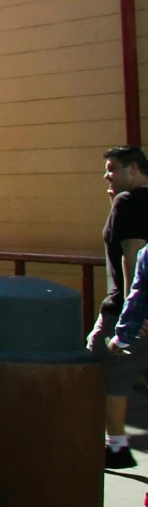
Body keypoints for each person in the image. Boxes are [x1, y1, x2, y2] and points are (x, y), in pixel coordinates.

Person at [88, 145, 148, 468]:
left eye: (112, 168)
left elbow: (133, 255)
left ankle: (116, 446)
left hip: (126, 309)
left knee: (102, 369)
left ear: (134, 170)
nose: (106, 176)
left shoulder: (127, 202)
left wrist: (131, 312)